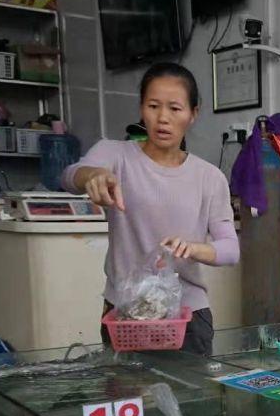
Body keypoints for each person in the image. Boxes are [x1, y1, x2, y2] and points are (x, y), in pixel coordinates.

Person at [63, 62, 239, 356]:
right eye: (153, 106)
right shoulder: (115, 154)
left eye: (175, 108)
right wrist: (92, 176)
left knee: (191, 401)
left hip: (187, 317)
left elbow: (230, 249)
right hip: (126, 317)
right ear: (142, 108)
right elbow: (71, 175)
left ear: (193, 114)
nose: (163, 118)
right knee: (128, 397)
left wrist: (192, 248)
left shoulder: (209, 177)